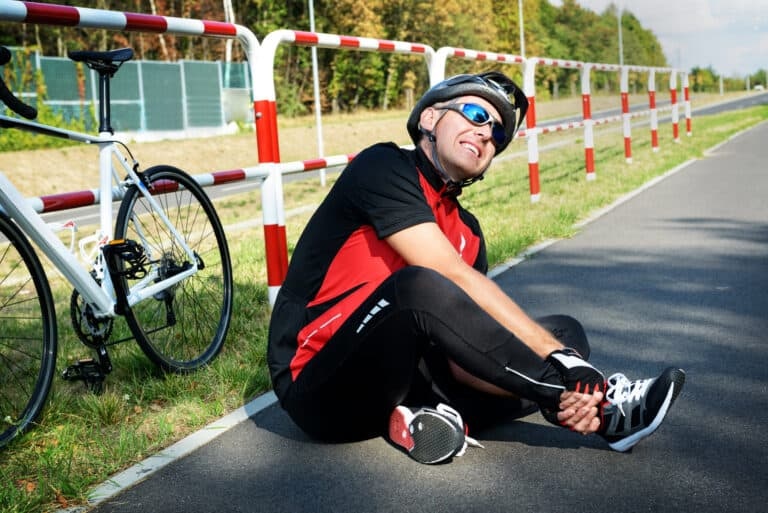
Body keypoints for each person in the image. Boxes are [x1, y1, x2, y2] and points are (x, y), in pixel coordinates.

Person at [267, 71, 685, 464]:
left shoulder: (468, 231)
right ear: (430, 117)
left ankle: (426, 416)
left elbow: (465, 357)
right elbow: (443, 275)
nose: (486, 132)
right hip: (319, 386)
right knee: (419, 286)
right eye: (475, 114)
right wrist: (565, 368)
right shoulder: (383, 167)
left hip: (401, 380)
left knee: (565, 332)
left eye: (498, 133)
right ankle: (606, 410)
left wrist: (559, 351)